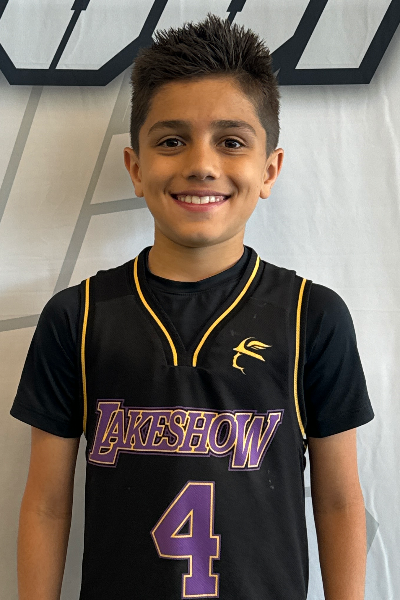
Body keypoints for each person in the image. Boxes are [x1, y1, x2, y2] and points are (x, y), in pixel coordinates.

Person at [10, 13, 374, 600]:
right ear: (136, 168)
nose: (202, 164)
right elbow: (48, 503)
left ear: (269, 170)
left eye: (231, 142)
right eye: (171, 141)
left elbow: (338, 501)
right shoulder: (77, 318)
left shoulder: (313, 317)